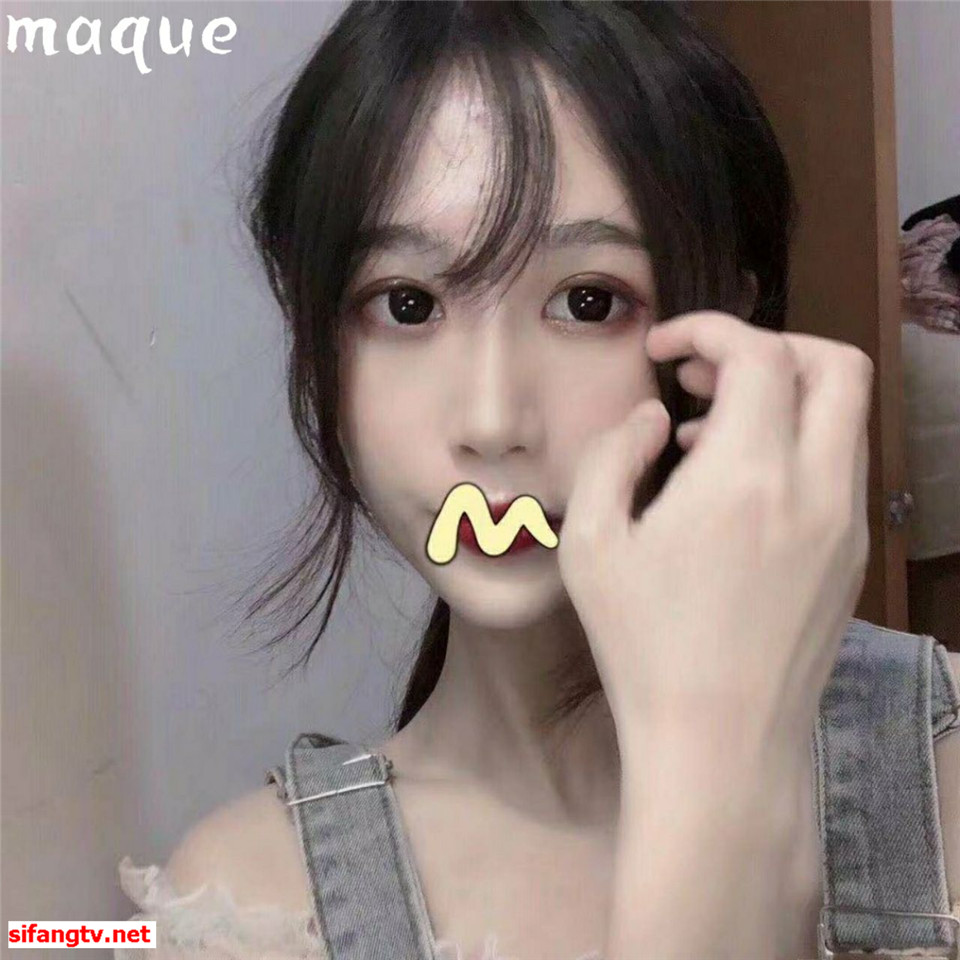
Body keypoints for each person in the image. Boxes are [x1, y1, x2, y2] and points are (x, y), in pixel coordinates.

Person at [115, 2, 960, 959]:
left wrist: (722, 769)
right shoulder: (251, 902)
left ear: (725, 326)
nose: (491, 422)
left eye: (587, 301)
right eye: (406, 304)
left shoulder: (937, 765)